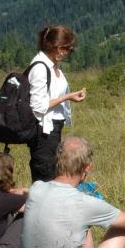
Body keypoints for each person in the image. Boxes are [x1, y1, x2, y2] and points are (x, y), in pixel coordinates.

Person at [27, 25, 87, 183]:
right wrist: (67, 97)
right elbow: (37, 107)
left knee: (53, 173)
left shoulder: (52, 66)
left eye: (69, 49)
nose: (67, 53)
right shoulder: (40, 67)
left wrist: (69, 96)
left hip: (53, 129)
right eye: (66, 48)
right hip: (43, 131)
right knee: (45, 175)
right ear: (55, 47)